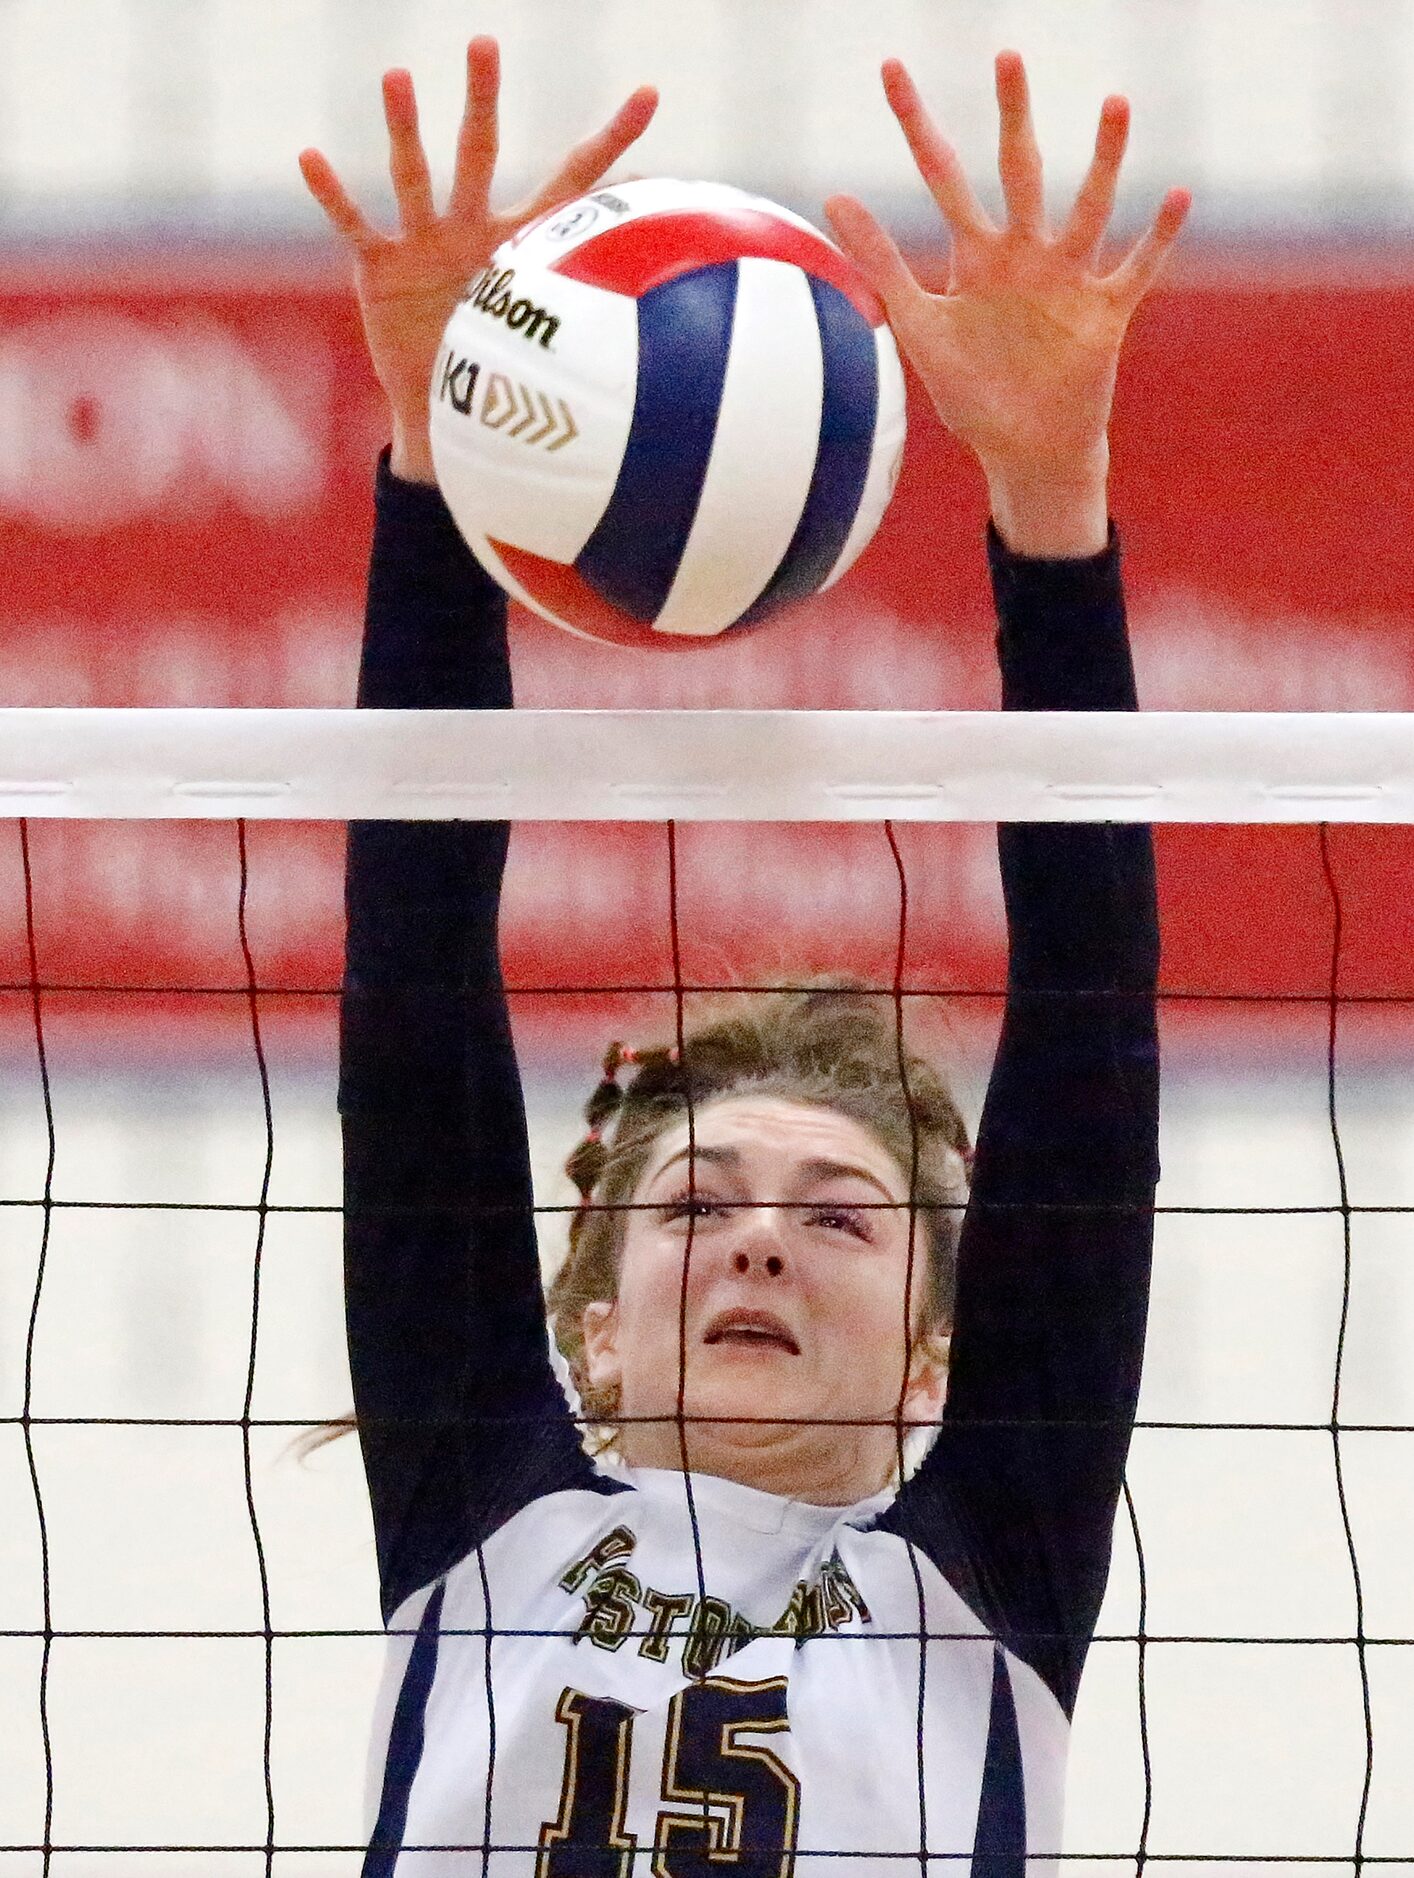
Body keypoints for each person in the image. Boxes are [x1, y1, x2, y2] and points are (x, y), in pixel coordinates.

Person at [302, 37, 1188, 1874]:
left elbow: (1092, 1046)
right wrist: (434, 445)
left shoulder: (984, 1570)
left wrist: (1049, 500)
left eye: (843, 1215)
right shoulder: (487, 1507)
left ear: (934, 1353)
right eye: (699, 1203)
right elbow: (413, 1014)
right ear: (592, 1327)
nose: (766, 1233)